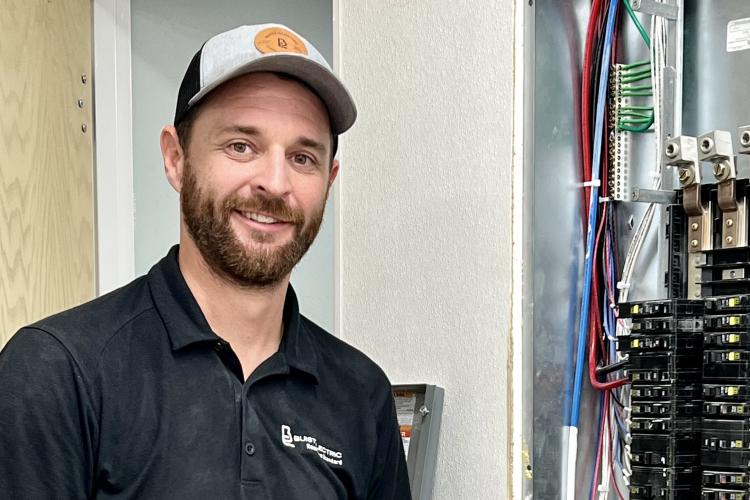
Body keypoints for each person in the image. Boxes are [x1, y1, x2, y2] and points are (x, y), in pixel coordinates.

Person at [0, 23, 411, 500]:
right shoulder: (58, 371)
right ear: (176, 159)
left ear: (329, 179)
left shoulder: (362, 396)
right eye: (242, 146)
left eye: (303, 157)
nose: (275, 183)